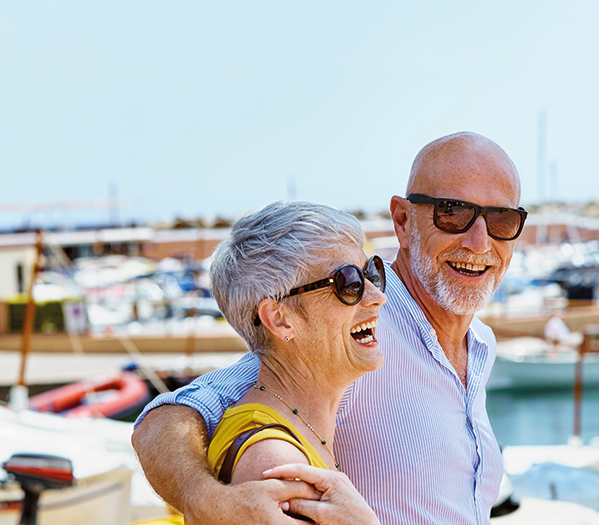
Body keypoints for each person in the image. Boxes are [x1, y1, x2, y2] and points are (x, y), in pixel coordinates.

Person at [132, 131, 527, 525]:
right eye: (454, 213)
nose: (479, 242)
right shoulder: (355, 332)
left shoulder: (480, 345)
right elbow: (170, 417)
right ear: (403, 221)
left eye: (502, 220)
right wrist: (203, 500)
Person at [201, 200, 385, 523]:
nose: (376, 295)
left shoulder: (295, 428)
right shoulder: (276, 461)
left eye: (371, 273)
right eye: (348, 283)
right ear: (280, 318)